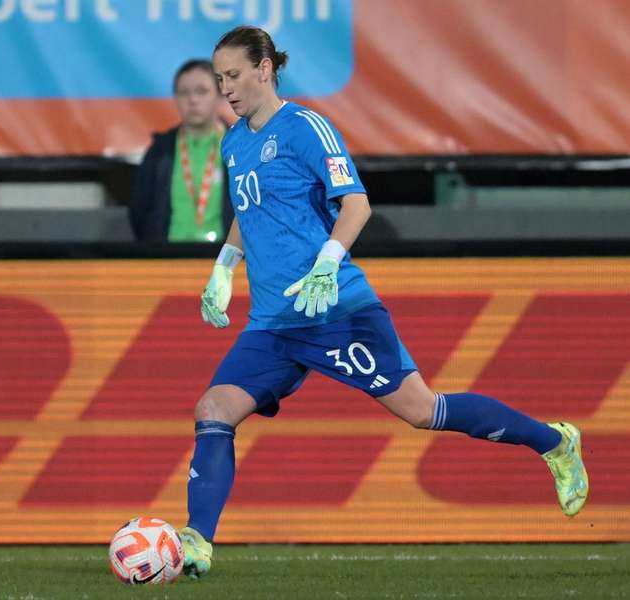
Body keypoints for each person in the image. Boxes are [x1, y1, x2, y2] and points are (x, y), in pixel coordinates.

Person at [179, 25, 589, 580]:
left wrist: (327, 263)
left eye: (232, 76)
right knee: (214, 410)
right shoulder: (235, 141)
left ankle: (555, 442)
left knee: (423, 411)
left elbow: (356, 205)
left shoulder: (304, 127)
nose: (224, 87)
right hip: (274, 321)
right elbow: (248, 217)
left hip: (336, 309)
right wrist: (224, 268)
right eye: (219, 77)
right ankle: (198, 541)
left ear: (265, 70)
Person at [129, 59, 234, 243]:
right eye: (184, 93)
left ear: (220, 95)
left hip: (226, 259)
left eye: (202, 91)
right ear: (175, 99)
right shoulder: (160, 151)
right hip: (169, 260)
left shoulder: (238, 147)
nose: (193, 100)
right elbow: (139, 209)